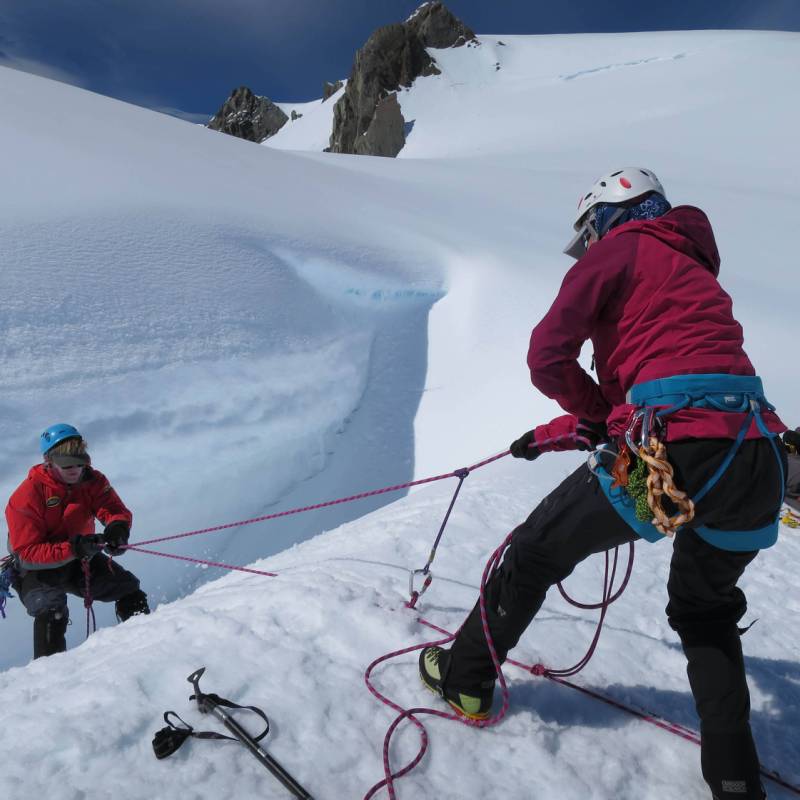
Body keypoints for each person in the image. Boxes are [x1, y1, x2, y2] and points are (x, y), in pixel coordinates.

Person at [418, 168, 787, 800]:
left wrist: (592, 416)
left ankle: (465, 676)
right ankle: (735, 781)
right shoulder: (691, 268)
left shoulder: (623, 248)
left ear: (611, 214)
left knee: (533, 553)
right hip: (758, 455)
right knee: (705, 613)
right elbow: (639, 398)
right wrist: (550, 434)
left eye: (589, 231)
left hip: (676, 449)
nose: (589, 246)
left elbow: (548, 358)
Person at [6, 423, 150, 659]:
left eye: (80, 464)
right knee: (51, 610)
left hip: (80, 557)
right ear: (48, 461)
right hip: (36, 569)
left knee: (128, 589)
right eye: (67, 466)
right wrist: (74, 547)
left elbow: (112, 508)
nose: (75, 470)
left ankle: (146, 648)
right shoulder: (26, 496)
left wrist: (117, 527)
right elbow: (27, 553)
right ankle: (48, 677)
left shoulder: (92, 480)